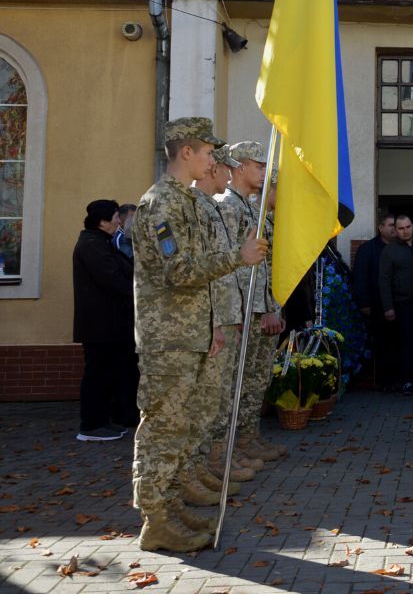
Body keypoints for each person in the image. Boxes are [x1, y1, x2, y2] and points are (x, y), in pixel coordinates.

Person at [130, 117, 266, 552]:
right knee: (163, 431)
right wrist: (238, 257)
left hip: (189, 334)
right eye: (208, 153)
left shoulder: (184, 201)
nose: (214, 162)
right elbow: (180, 270)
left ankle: (169, 509)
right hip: (168, 339)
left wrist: (211, 328)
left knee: (180, 428)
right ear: (185, 152)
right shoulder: (162, 204)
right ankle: (155, 520)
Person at [188, 146, 257, 502]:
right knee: (207, 401)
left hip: (229, 311)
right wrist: (216, 318)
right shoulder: (206, 207)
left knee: (219, 398)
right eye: (217, 164)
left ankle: (208, 465)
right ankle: (198, 469)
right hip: (213, 316)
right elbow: (207, 269)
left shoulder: (217, 206)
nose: (222, 171)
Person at [217, 142, 286, 465]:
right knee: (234, 383)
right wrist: (243, 310)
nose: (264, 174)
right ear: (240, 167)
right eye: (259, 167)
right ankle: (227, 450)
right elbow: (228, 266)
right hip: (242, 310)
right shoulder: (229, 207)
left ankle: (246, 438)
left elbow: (263, 269)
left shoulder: (246, 208)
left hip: (255, 305)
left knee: (255, 380)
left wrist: (269, 305)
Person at [73, 199, 136, 441]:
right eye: (115, 218)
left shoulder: (101, 243)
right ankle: (90, 425)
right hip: (98, 324)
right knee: (97, 374)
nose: (119, 221)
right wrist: (137, 295)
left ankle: (104, 420)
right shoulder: (91, 245)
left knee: (107, 373)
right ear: (102, 222)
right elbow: (113, 280)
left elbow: (124, 269)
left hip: (110, 324)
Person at [379, 215, 413, 393]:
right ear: (395, 230)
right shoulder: (390, 250)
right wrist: (388, 307)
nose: (406, 231)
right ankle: (407, 381)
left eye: (408, 227)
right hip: (402, 304)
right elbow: (384, 279)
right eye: (401, 228)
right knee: (405, 343)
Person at [352, 211, 395, 385]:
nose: (394, 229)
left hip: (395, 304)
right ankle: (381, 382)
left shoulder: (399, 248)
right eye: (391, 225)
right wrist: (364, 303)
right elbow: (360, 277)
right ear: (381, 227)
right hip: (375, 305)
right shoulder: (367, 249)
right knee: (379, 345)